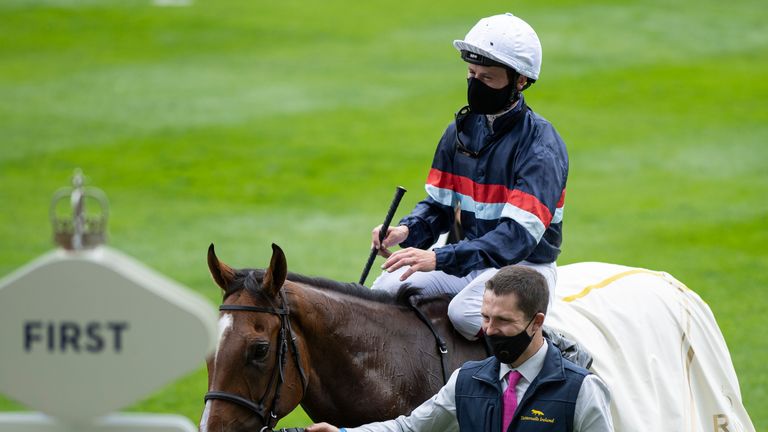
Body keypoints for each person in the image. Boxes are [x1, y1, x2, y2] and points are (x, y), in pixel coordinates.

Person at [370, 13, 568, 341]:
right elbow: (439, 207)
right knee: (388, 290)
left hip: (525, 269)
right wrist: (405, 231)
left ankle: (551, 347)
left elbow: (515, 238)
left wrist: (439, 256)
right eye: (471, 74)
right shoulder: (458, 132)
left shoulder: (541, 147)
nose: (475, 84)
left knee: (464, 314)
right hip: (471, 260)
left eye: (487, 78)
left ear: (519, 80)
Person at [306, 265, 613, 432]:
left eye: (503, 321)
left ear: (537, 322)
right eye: (486, 318)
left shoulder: (581, 390)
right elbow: (410, 428)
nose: (490, 331)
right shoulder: (466, 382)